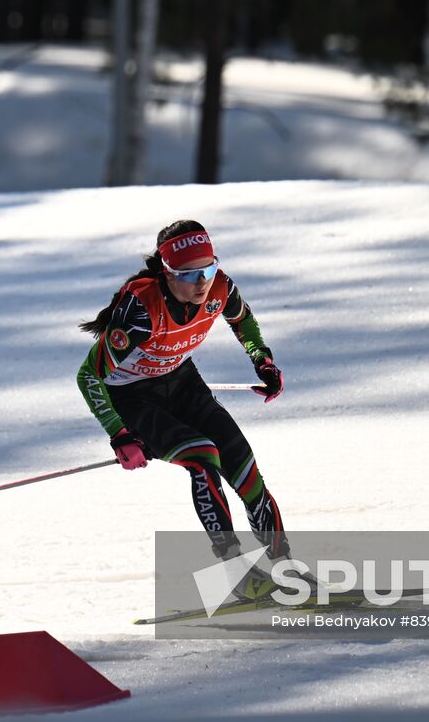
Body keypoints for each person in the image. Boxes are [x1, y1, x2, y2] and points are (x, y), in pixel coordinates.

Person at [76, 220, 289, 596]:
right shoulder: (142, 308)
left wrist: (263, 361)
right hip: (133, 397)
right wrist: (119, 433)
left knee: (241, 461)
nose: (201, 281)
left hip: (182, 382)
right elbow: (89, 376)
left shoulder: (219, 287)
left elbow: (243, 320)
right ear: (167, 272)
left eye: (207, 269)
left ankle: (285, 567)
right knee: (202, 456)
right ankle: (237, 573)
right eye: (189, 274)